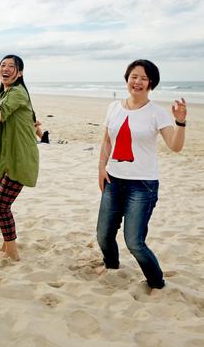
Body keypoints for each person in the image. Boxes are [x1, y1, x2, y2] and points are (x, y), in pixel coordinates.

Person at [96, 59, 187, 294]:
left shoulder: (157, 113)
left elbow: (175, 146)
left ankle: (157, 282)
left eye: (144, 78)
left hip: (142, 185)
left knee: (134, 242)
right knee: (104, 235)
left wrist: (180, 121)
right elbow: (107, 140)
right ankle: (112, 266)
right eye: (134, 76)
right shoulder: (114, 107)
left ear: (151, 83)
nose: (138, 82)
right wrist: (101, 167)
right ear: (127, 78)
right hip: (113, 180)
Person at [0, 55, 39, 261]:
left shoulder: (17, 92)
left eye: (11, 66)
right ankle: (6, 246)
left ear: (20, 73)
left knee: (0, 204)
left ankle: (12, 251)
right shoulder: (5, 92)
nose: (5, 69)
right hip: (8, 156)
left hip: (20, 157)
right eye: (3, 65)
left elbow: (1, 113)